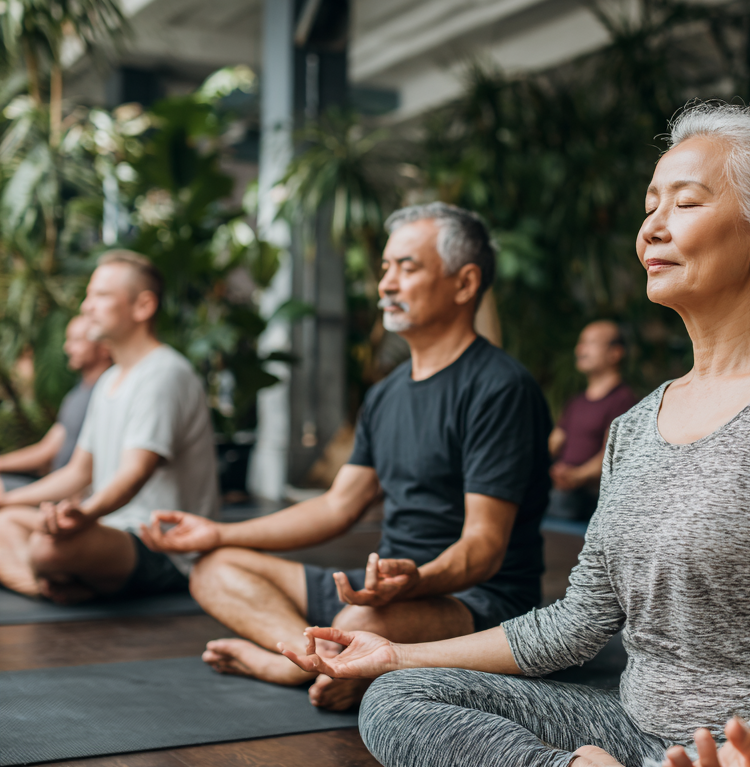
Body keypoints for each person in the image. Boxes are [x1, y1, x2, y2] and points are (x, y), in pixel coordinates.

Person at [279, 103, 750, 767]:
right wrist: (393, 658)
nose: (653, 228)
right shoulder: (634, 427)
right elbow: (575, 622)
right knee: (395, 704)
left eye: (687, 202)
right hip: (638, 735)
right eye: (649, 206)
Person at [140, 203, 551, 712]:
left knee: (359, 624)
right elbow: (338, 506)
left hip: (474, 601)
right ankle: (315, 660)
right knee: (212, 569)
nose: (386, 285)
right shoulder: (385, 395)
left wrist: (418, 581)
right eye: (385, 269)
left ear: (464, 284)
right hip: (381, 593)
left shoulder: (499, 388)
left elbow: (484, 548)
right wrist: (217, 532)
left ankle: (303, 658)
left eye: (408, 267)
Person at [0, 251, 218, 604]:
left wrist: (84, 514)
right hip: (110, 529)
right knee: (7, 521)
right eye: (89, 296)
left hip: (161, 544)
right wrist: (8, 500)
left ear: (142, 306)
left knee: (46, 548)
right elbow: (77, 473)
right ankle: (54, 586)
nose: (87, 307)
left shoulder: (164, 373)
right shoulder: (109, 380)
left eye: (100, 296)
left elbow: (134, 474)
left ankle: (50, 581)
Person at [0, 316, 112, 492]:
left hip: (70, 494)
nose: (67, 348)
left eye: (77, 340)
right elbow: (46, 449)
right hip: (52, 483)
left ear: (105, 347)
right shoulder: (77, 395)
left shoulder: (109, 392)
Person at [546, 321, 636, 523]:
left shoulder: (623, 400)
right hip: (562, 489)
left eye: (590, 343)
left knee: (558, 501)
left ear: (615, 353)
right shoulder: (576, 401)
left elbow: (612, 454)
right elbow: (554, 442)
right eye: (580, 343)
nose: (580, 349)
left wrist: (576, 476)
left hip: (590, 495)